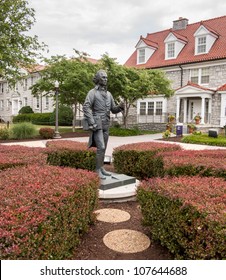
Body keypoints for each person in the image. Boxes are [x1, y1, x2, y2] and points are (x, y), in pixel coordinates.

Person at [83, 69, 124, 179]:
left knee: (104, 147)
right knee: (100, 146)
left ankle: (101, 168)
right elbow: (86, 107)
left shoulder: (109, 94)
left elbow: (113, 109)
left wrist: (120, 107)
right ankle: (97, 170)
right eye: (103, 77)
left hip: (106, 123)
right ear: (97, 79)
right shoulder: (92, 93)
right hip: (97, 123)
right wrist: (91, 122)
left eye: (106, 77)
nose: (106, 79)